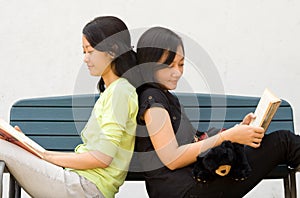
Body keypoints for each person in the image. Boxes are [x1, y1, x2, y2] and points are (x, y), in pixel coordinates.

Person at [133, 26, 300, 198]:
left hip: (193, 182)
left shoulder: (164, 96)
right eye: (169, 65)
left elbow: (194, 142)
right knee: (282, 142)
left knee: (282, 142)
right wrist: (228, 137)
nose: (177, 72)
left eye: (181, 64)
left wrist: (238, 131)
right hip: (184, 191)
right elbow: (172, 158)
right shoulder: (152, 101)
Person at [0, 16, 138, 198]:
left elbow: (102, 158)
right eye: (84, 52)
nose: (85, 59)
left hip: (85, 188)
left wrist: (45, 156)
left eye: (90, 51)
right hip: (78, 183)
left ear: (112, 51)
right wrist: (24, 144)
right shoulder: (114, 91)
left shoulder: (120, 92)